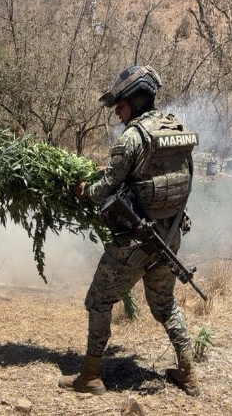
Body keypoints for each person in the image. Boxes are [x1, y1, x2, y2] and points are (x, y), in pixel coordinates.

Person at [59, 65, 201, 397]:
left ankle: (90, 377)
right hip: (169, 236)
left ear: (136, 100)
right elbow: (158, 174)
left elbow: (105, 191)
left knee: (98, 301)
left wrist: (83, 189)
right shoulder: (175, 129)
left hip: (135, 241)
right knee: (164, 304)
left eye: (120, 106)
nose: (118, 114)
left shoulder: (132, 138)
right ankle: (188, 374)